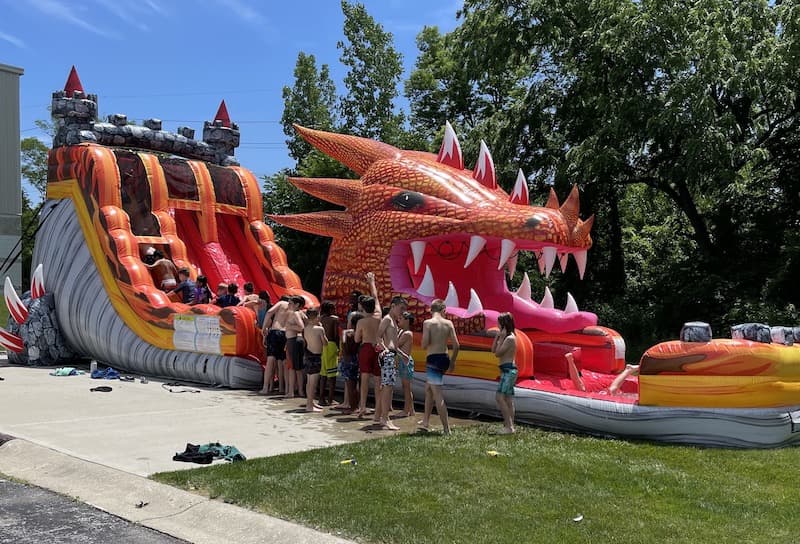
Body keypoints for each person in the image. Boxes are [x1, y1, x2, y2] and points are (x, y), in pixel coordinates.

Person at [419, 299, 459, 434]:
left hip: (433, 359)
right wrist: (452, 362)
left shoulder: (428, 323)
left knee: (437, 394)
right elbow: (456, 345)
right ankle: (425, 422)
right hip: (445, 358)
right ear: (443, 311)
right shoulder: (449, 323)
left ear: (431, 310)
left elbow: (424, 344)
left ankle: (447, 429)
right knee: (429, 390)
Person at [354, 272, 382, 418]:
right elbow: (376, 298)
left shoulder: (361, 321)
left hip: (366, 348)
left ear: (362, 308)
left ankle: (363, 406)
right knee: (378, 379)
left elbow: (357, 340)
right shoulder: (379, 316)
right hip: (378, 347)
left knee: (364, 378)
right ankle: (378, 407)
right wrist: (372, 282)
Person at [491, 312, 518, 434]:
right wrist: (497, 337)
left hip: (508, 370)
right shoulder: (506, 337)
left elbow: (498, 353)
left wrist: (501, 338)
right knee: (507, 399)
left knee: (499, 397)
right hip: (506, 370)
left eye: (499, 323)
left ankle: (509, 427)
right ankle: (510, 424)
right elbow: (493, 350)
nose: (497, 325)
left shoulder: (510, 338)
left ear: (503, 324)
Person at [259, 295, 291, 395]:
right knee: (284, 362)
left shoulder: (281, 303)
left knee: (270, 360)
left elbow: (269, 312)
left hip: (275, 332)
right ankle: (284, 389)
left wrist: (263, 329)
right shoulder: (293, 308)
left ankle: (265, 388)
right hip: (286, 334)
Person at [335, 311, 363, 413]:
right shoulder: (360, 333)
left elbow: (343, 344)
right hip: (356, 359)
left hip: (347, 360)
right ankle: (357, 406)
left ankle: (353, 407)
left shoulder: (346, 332)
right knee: (356, 385)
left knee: (350, 386)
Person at [303, 308, 327, 412]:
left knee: (309, 381)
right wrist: (322, 328)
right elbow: (325, 343)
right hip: (316, 356)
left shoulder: (306, 328)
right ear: (316, 317)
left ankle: (310, 402)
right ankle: (309, 405)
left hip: (308, 355)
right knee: (313, 383)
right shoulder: (319, 329)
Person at [285, 295, 307, 398]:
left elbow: (301, 327)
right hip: (297, 340)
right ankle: (300, 391)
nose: (288, 305)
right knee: (298, 368)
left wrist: (289, 326)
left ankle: (291, 392)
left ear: (297, 305)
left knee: (292, 368)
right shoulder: (301, 313)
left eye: (290, 303)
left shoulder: (295, 314)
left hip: (293, 340)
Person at [319, 301, 340, 406]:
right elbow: (336, 335)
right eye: (333, 308)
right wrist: (339, 347)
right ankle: (331, 399)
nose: (335, 310)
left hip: (322, 346)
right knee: (332, 375)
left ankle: (321, 398)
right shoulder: (334, 319)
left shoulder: (320, 319)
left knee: (323, 374)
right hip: (331, 345)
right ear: (330, 309)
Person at [396, 311, 415, 417]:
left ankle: (406, 410)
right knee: (406, 387)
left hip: (405, 362)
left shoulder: (407, 333)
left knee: (406, 387)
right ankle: (411, 410)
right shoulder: (403, 332)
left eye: (401, 319)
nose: (399, 320)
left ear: (407, 321)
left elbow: (396, 344)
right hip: (403, 361)